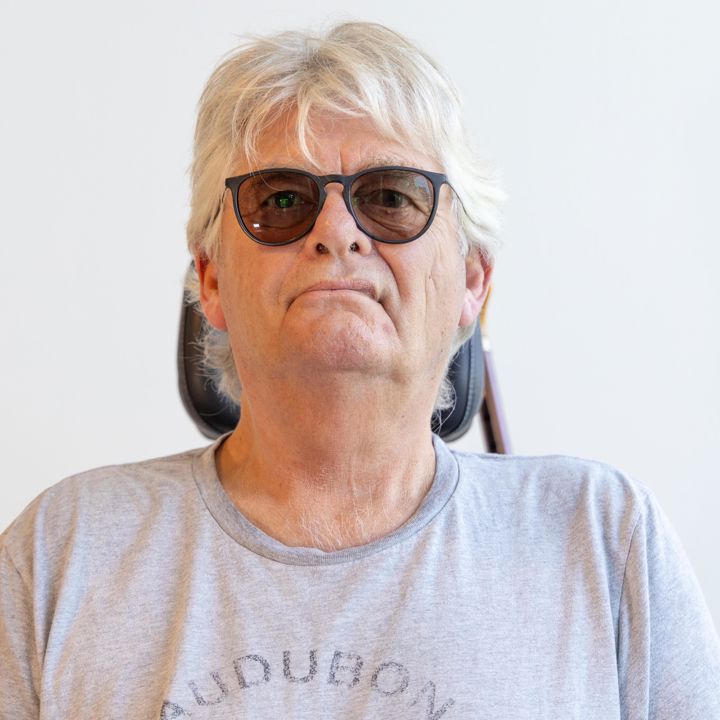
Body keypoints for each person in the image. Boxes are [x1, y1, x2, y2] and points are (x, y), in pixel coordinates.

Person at [1, 21, 718, 720]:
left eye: (391, 197)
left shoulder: (605, 541)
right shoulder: (59, 556)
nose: (336, 231)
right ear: (211, 278)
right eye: (281, 200)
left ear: (472, 278)